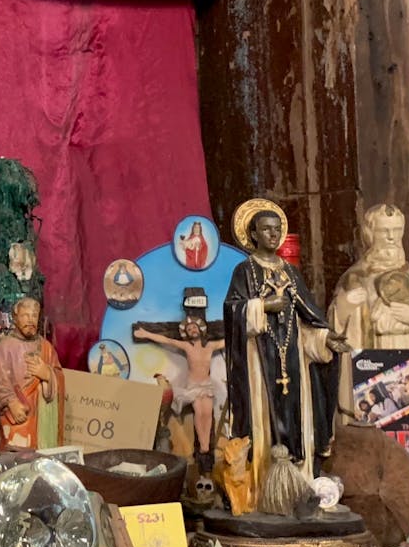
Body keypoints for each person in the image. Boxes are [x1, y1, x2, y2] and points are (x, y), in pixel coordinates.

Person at [223, 201, 349, 485]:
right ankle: (264, 485)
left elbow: (306, 322)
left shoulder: (291, 274)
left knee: (297, 418)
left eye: (277, 230)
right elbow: (232, 312)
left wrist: (325, 339)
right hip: (258, 363)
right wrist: (262, 306)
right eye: (266, 230)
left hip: (293, 363)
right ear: (253, 234)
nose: (273, 235)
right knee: (264, 423)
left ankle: (296, 483)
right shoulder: (245, 271)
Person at [327, 204, 409, 350]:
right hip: (369, 361)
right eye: (384, 231)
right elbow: (332, 333)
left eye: (397, 230)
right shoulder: (354, 277)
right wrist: (345, 306)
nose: (391, 237)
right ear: (370, 234)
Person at [135, 319, 225, 454]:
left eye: (194, 327)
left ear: (200, 329)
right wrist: (146, 333)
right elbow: (167, 340)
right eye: (189, 330)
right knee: (199, 413)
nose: (192, 330)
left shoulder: (210, 346)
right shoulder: (187, 347)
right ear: (186, 334)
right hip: (193, 385)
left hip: (206, 385)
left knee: (207, 413)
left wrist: (243, 331)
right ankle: (203, 444)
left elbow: (227, 341)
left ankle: (206, 443)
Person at [0, 298, 66, 449]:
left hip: (42, 421)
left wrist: (47, 374)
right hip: (18, 416)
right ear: (15, 317)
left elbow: (59, 375)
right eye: (25, 315)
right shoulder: (5, 347)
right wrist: (11, 402)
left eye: (34, 316)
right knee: (16, 457)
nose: (30, 320)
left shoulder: (46, 347)